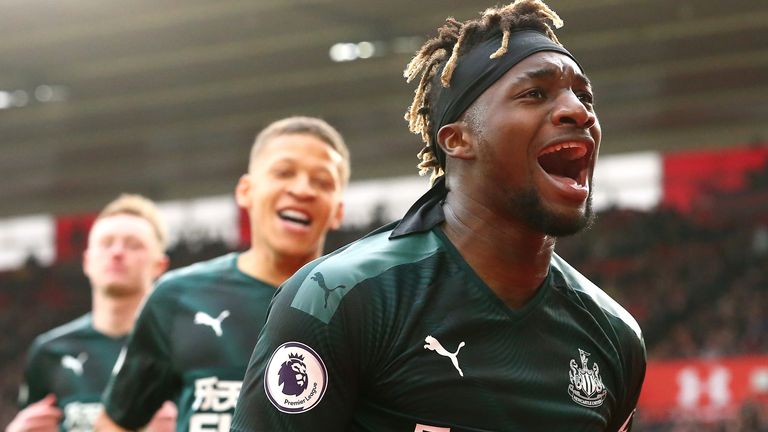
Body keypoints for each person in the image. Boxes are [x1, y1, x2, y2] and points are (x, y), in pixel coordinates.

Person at [230, 1, 646, 431]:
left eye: (584, 95)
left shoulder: (615, 335)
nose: (579, 111)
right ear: (458, 140)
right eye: (534, 93)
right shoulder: (338, 298)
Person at [95, 116, 350, 432]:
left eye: (322, 181)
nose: (301, 189)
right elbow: (116, 422)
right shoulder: (175, 297)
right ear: (246, 191)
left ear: (339, 209)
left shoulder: (362, 305)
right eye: (284, 172)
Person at [6, 194, 176, 432]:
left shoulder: (181, 351)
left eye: (133, 244)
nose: (117, 252)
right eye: (106, 243)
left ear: (160, 266)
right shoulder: (48, 353)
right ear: (87, 261)